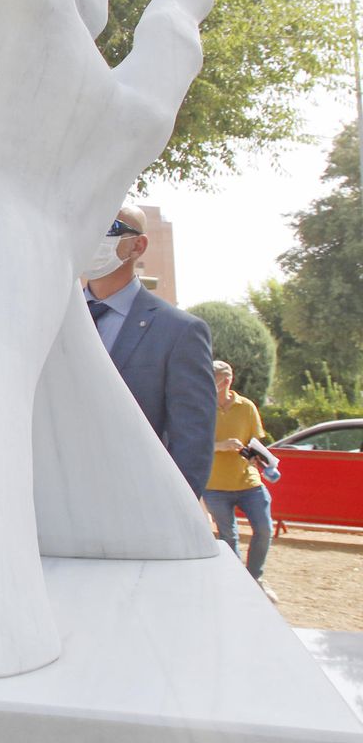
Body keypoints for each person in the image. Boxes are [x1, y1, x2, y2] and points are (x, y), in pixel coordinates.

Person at [83, 205, 216, 497]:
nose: (91, 238)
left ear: (138, 245)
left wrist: (174, 514)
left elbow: (192, 441)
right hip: (50, 506)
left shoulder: (179, 332)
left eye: (108, 228)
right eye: (85, 225)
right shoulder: (52, 319)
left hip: (134, 502)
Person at [203, 360, 277, 600]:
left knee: (264, 529)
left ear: (227, 380)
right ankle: (235, 584)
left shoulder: (247, 407)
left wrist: (260, 458)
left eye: (214, 377)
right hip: (215, 485)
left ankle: (255, 578)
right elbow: (194, 444)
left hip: (249, 482)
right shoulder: (201, 407)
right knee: (228, 536)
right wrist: (221, 446)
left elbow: (256, 440)